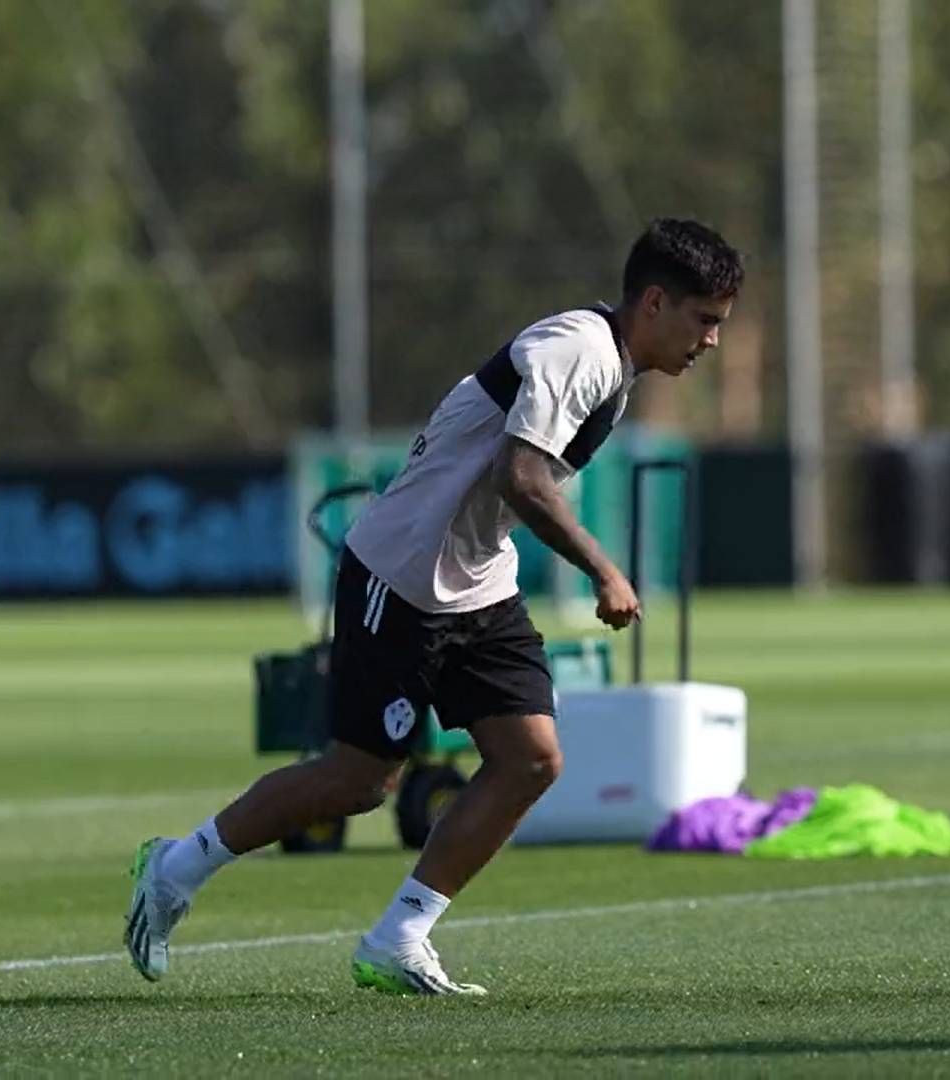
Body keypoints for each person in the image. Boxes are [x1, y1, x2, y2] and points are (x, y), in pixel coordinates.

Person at [126, 218, 744, 995]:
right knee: (359, 782)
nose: (712, 341)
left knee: (532, 759)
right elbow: (522, 477)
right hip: (402, 575)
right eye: (704, 320)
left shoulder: (612, 368)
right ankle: (175, 868)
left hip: (478, 582)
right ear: (654, 302)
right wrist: (603, 570)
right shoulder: (581, 352)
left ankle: (400, 937)